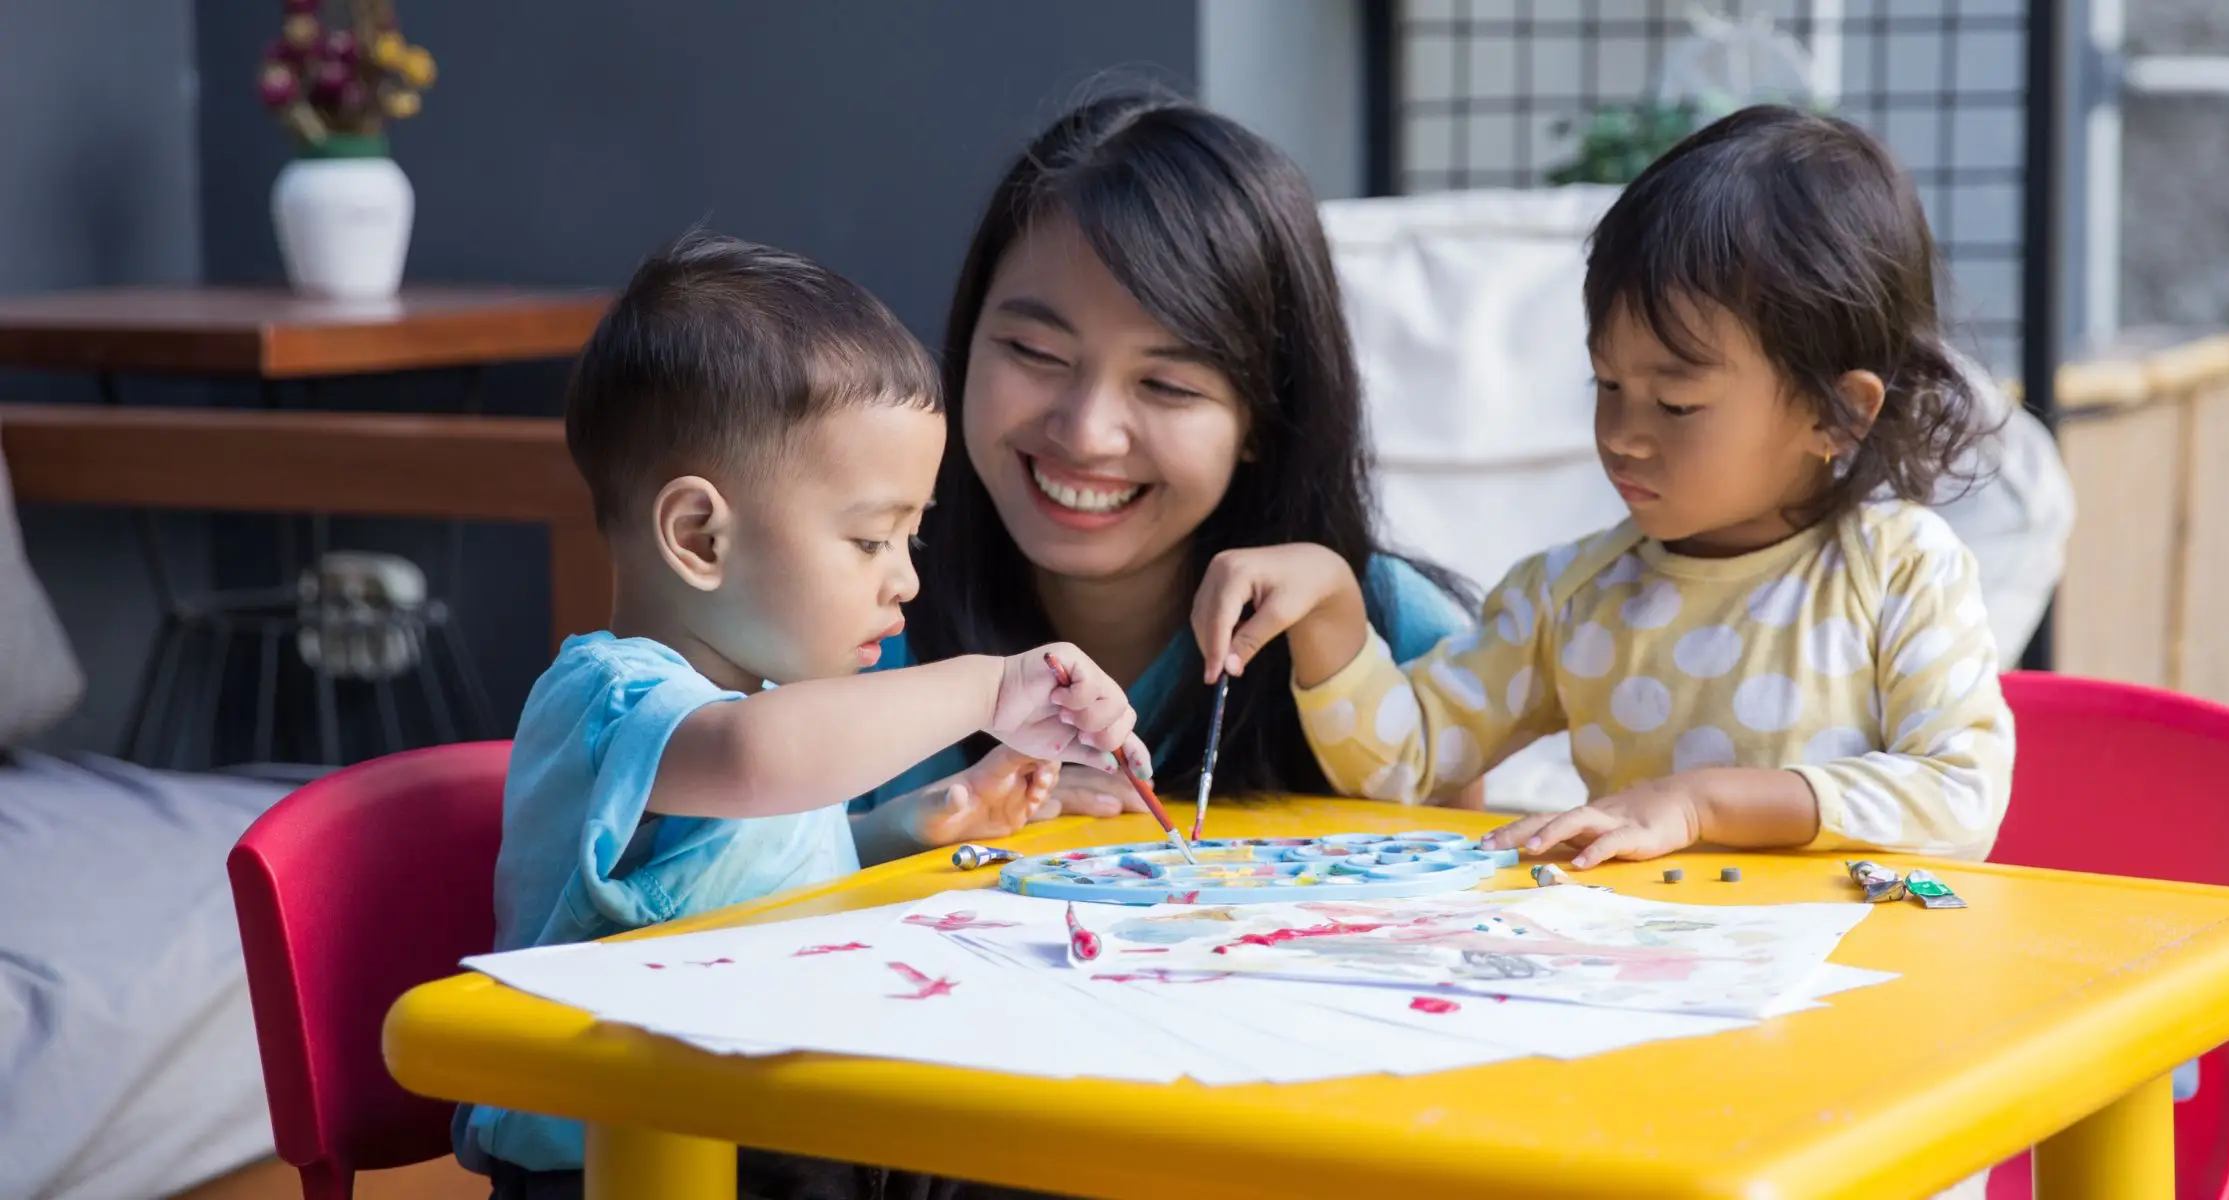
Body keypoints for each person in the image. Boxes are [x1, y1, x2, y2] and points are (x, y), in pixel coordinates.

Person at [457, 230, 1136, 1199]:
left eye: (913, 534)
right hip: (623, 1159)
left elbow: (741, 872)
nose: (904, 578)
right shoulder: (615, 700)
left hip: (763, 1125)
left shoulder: (765, 707)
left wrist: (906, 824)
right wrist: (987, 690)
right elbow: (753, 765)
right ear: (699, 536)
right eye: (869, 539)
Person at [1195, 104, 2016, 869]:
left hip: (1863, 994)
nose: (1623, 434)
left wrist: (1699, 804)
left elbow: (1959, 794)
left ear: (1838, 414)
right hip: (1637, 990)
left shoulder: (1900, 570)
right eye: (1606, 385)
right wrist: (1333, 606)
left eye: (1677, 402)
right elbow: (1404, 762)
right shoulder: (1571, 598)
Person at [858, 90, 1480, 820]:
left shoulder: (1379, 628)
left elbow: (1457, 877)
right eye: (1034, 351)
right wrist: (912, 823)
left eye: (1167, 385)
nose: (1087, 432)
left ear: (1262, 414)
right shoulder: (846, 610)